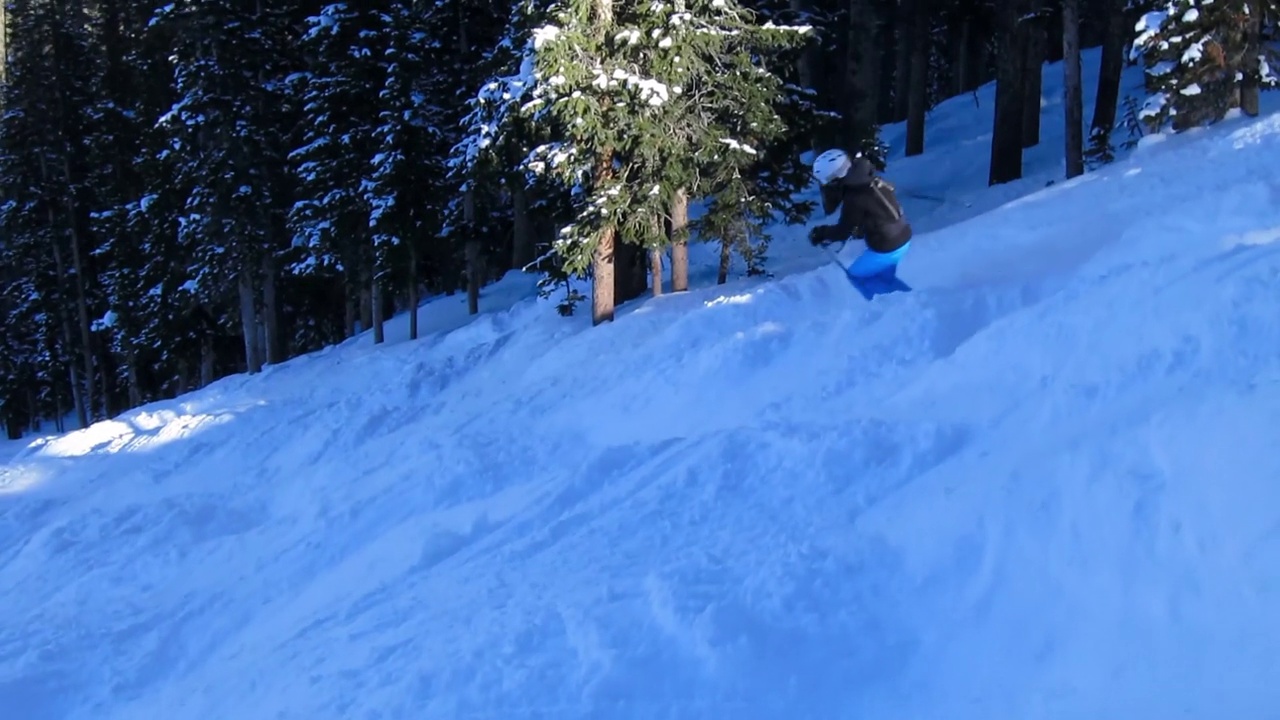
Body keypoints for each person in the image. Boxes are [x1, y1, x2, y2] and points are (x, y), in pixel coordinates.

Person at [807, 148, 913, 289]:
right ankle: (901, 296)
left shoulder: (855, 196)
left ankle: (889, 302)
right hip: (902, 231)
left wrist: (821, 234)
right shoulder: (866, 176)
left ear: (837, 177)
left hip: (889, 244)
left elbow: (844, 231)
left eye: (829, 181)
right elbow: (876, 208)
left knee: (858, 274)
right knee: (880, 273)